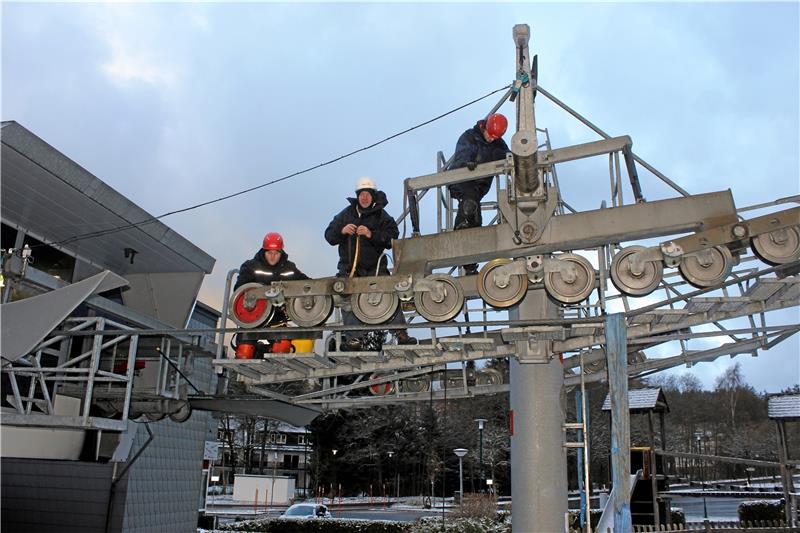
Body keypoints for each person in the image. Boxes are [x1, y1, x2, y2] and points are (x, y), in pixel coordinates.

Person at [324, 177, 417, 349]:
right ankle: (354, 338)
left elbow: (392, 237)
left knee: (389, 293)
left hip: (376, 267)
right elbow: (329, 235)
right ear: (357, 196)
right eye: (361, 194)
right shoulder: (346, 214)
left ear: (373, 195)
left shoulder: (382, 216)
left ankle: (401, 333)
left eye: (367, 194)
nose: (364, 197)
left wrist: (371, 234)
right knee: (346, 297)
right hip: (349, 268)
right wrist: (341, 230)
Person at [447, 113, 510, 274]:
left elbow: (509, 157)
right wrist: (466, 164)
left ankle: (470, 264)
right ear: (485, 127)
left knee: (475, 218)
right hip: (462, 180)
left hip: (478, 188)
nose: (491, 139)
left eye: (495, 137)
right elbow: (461, 157)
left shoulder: (499, 144)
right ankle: (459, 234)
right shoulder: (470, 137)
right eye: (490, 135)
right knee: (469, 206)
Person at [233, 232, 308, 358]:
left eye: (276, 253)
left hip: (278, 318)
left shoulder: (289, 269)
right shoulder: (250, 267)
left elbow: (306, 284)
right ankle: (244, 367)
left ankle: (275, 365)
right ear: (264, 251)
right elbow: (239, 290)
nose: (273, 257)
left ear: (281, 252)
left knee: (282, 348)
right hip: (253, 318)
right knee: (244, 352)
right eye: (269, 253)